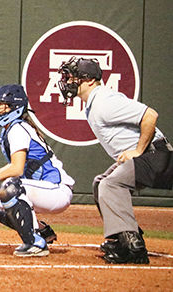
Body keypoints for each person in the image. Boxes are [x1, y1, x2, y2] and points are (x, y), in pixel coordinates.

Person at [58, 57, 172, 264]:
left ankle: (133, 246)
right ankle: (121, 238)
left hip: (155, 155)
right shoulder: (94, 103)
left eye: (73, 77)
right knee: (101, 182)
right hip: (149, 156)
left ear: (90, 80)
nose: (68, 81)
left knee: (111, 184)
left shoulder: (103, 101)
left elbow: (150, 115)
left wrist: (137, 151)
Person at [0, 84, 74, 257]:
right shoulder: (10, 129)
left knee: (10, 188)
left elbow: (16, 169)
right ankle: (41, 232)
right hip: (41, 189)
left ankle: (35, 244)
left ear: (13, 107)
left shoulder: (17, 128)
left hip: (56, 190)